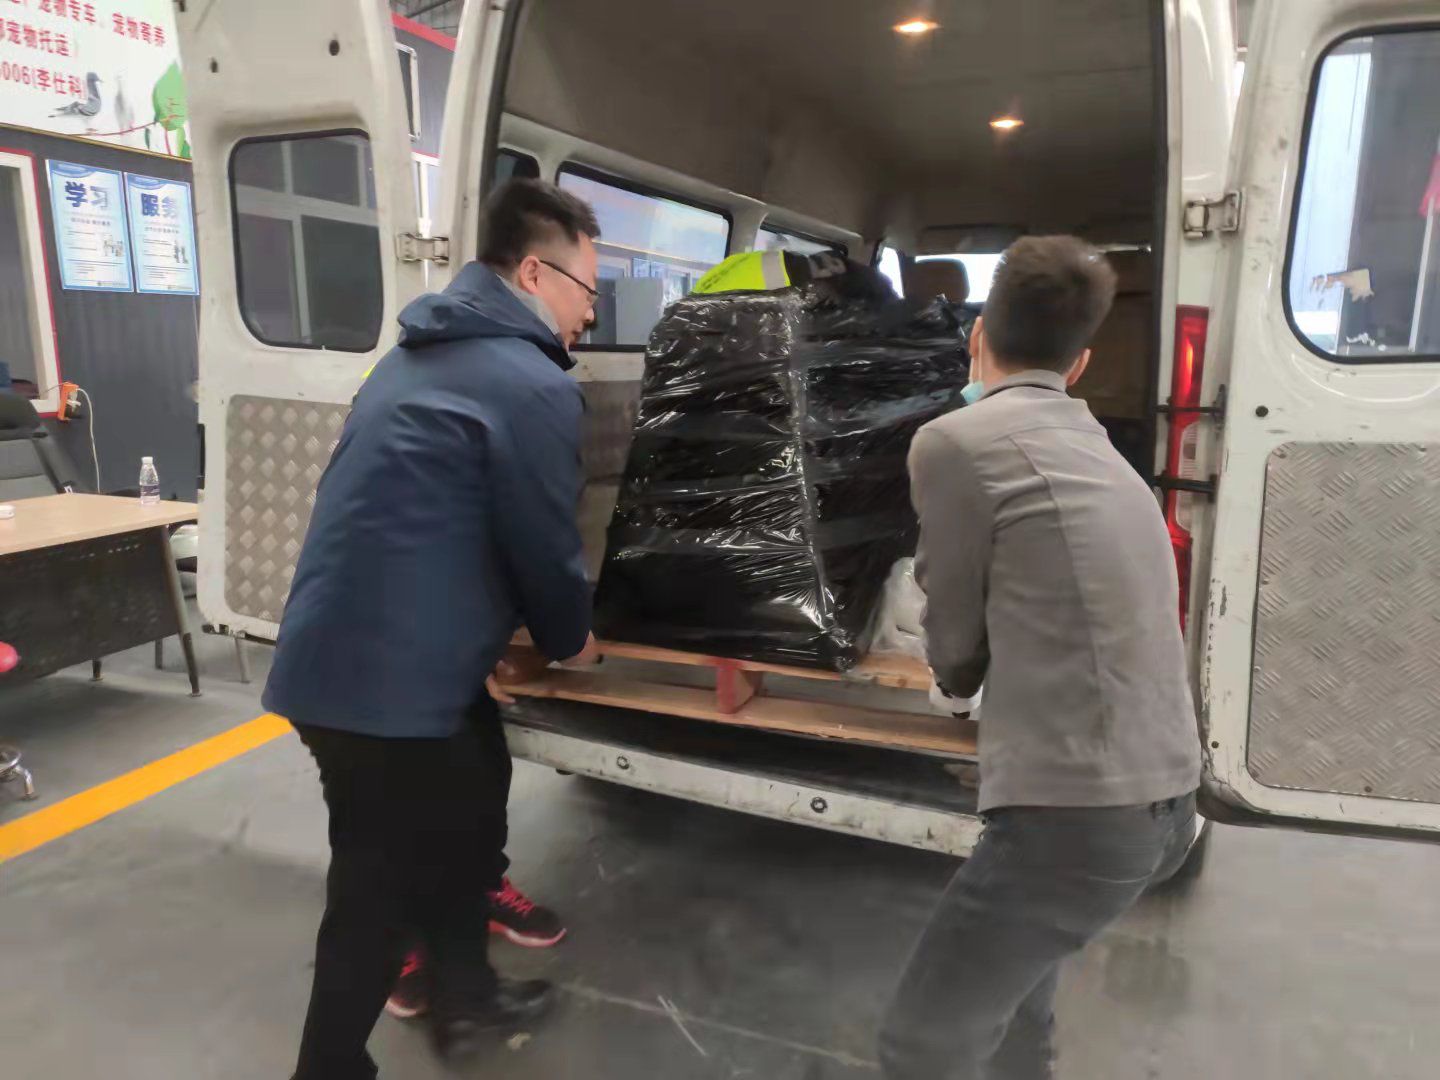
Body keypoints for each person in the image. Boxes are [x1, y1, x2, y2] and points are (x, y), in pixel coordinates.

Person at [263, 178, 603, 1079]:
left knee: (465, 810)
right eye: (587, 291)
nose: (590, 314)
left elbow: (428, 521)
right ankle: (329, 1068)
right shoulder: (530, 383)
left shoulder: (416, 357)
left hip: (360, 658)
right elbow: (542, 544)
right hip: (381, 689)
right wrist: (571, 640)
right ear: (534, 275)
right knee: (375, 894)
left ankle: (467, 999)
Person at [880, 236, 1202, 1080]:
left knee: (922, 1041)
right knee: (1018, 1000)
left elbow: (952, 620)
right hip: (1166, 799)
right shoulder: (1102, 451)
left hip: (1077, 817)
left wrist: (953, 683)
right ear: (1081, 362)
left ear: (977, 333)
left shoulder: (955, 440)